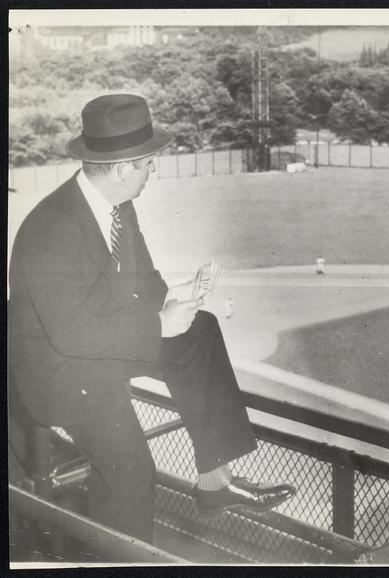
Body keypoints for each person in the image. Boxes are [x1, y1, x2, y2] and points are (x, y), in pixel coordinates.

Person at [8, 94, 295, 544]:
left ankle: (215, 483)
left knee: (199, 331)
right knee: (132, 467)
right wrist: (159, 325)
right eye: (147, 164)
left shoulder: (118, 205)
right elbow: (68, 334)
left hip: (101, 348)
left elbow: (144, 280)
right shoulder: (50, 228)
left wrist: (178, 301)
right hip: (59, 371)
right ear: (124, 168)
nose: (152, 171)